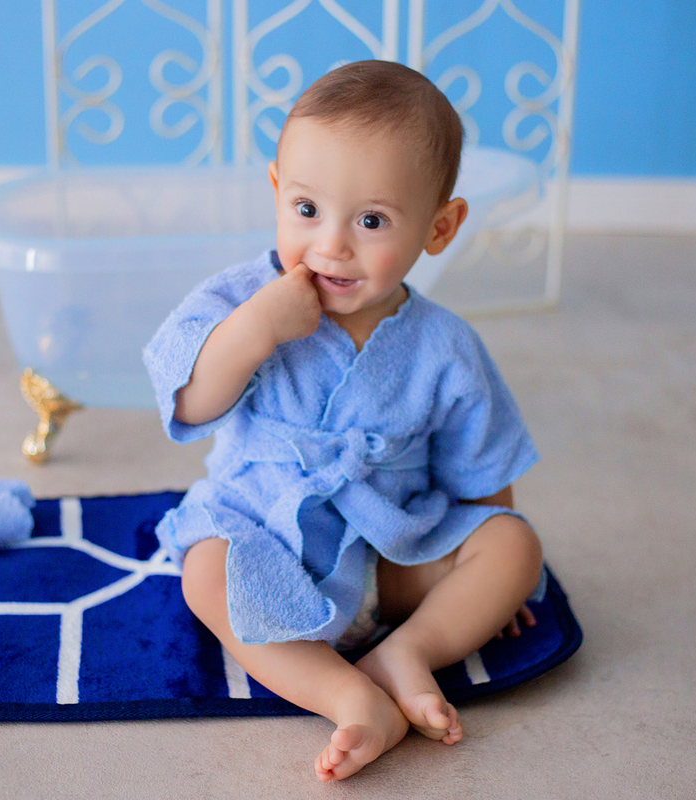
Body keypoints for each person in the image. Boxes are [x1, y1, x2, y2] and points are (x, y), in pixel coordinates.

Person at [143, 60, 544, 781]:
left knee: (514, 546)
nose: (332, 244)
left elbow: (483, 470)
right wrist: (255, 328)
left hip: (392, 552)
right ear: (276, 192)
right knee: (203, 571)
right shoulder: (238, 300)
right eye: (306, 210)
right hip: (263, 532)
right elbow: (189, 403)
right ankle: (351, 697)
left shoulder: (444, 345)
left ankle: (410, 649)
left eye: (370, 220)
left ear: (440, 226)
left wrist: (485, 588)